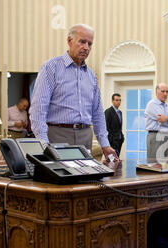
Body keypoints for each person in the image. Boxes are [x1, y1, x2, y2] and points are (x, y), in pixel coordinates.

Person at [29, 23, 118, 161]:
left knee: (85, 180)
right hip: (57, 135)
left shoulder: (91, 75)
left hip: (85, 136)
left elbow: (98, 113)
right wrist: (43, 142)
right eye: (82, 42)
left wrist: (105, 144)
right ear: (70, 41)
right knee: (60, 180)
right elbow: (38, 109)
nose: (86, 48)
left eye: (90, 44)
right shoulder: (51, 68)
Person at [144, 83, 168, 160]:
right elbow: (162, 119)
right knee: (154, 164)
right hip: (155, 136)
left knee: (167, 164)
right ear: (157, 92)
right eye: (163, 91)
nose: (165, 94)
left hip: (166, 136)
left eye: (167, 92)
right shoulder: (152, 104)